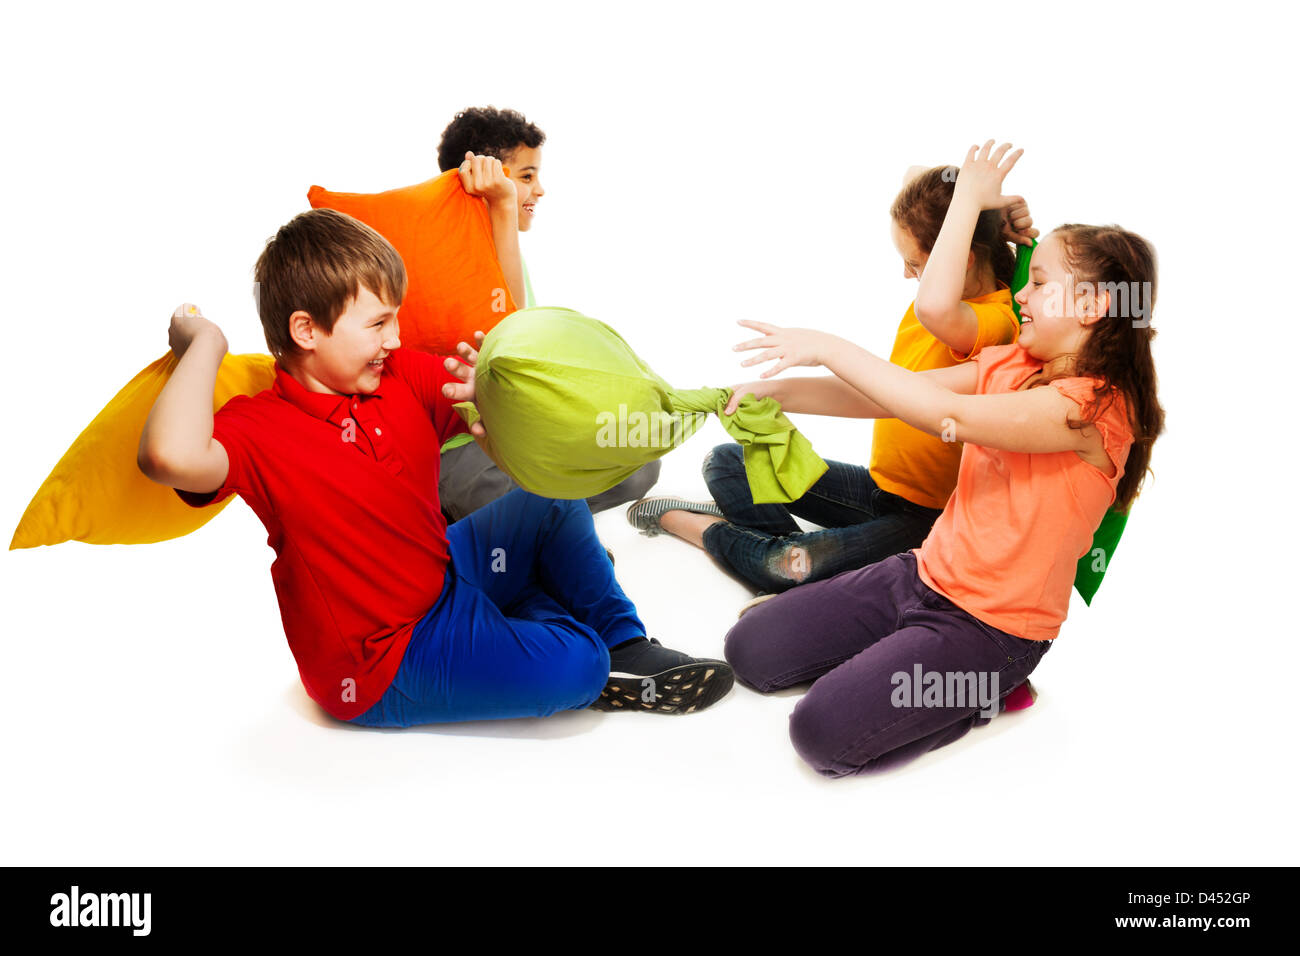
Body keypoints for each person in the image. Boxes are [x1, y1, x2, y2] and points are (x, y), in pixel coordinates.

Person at [136, 208, 732, 726]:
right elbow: (169, 456)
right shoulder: (257, 430)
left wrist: (500, 388)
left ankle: (624, 644)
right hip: (383, 660)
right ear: (305, 330)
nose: (396, 337)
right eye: (377, 324)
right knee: (576, 664)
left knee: (546, 497)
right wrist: (205, 342)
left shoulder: (401, 377)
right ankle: (580, 646)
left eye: (395, 317)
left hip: (446, 573)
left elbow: (504, 404)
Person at [721, 142, 1165, 775]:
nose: (1023, 295)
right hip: (921, 573)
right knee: (749, 650)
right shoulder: (1013, 363)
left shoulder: (1091, 409)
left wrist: (825, 344)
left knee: (818, 733)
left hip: (992, 628)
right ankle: (899, 652)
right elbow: (897, 397)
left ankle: (986, 692)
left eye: (1039, 284)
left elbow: (942, 418)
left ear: (1092, 308)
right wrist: (776, 392)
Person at [628, 152, 1035, 595]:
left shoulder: (991, 322)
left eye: (915, 265)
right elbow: (916, 178)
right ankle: (773, 546)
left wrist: (974, 203)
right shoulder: (948, 294)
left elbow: (925, 322)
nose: (906, 275)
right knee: (726, 461)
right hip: (879, 489)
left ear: (962, 260)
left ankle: (696, 527)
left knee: (786, 566)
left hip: (924, 518)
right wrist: (984, 203)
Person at [435, 106, 661, 521]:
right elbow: (507, 332)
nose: (539, 190)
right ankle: (550, 533)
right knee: (499, 497)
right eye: (525, 177)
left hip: (517, 434)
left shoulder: (508, 251)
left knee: (640, 463)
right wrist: (503, 205)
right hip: (464, 448)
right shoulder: (447, 254)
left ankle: (548, 524)